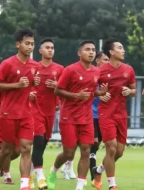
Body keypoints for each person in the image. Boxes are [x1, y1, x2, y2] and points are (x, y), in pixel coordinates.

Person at [46, 40, 107, 190]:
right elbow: (57, 90)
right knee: (69, 153)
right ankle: (53, 170)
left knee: (86, 151)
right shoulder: (70, 70)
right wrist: (76, 95)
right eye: (87, 49)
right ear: (79, 53)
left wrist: (100, 93)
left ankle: (79, 186)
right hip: (69, 117)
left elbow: (92, 92)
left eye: (93, 50)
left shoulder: (96, 72)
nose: (91, 52)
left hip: (86, 118)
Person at [0, 29, 39, 190]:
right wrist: (16, 85)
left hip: (26, 114)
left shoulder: (35, 66)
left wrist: (34, 85)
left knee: (26, 149)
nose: (30, 46)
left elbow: (31, 87)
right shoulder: (7, 63)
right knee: (6, 150)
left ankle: (24, 185)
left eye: (32, 44)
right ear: (18, 44)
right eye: (27, 43)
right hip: (8, 113)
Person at [92, 39, 136, 190]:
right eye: (120, 48)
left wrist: (130, 91)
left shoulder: (128, 70)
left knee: (119, 152)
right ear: (111, 52)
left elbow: (134, 90)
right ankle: (112, 185)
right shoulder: (100, 70)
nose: (123, 50)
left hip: (121, 115)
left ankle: (98, 171)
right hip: (106, 114)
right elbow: (90, 88)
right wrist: (98, 95)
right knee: (111, 148)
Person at [29, 38, 64, 189]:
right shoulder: (33, 67)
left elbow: (65, 90)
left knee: (42, 144)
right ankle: (40, 177)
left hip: (50, 111)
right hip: (35, 110)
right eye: (47, 47)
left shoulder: (60, 69)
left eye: (52, 48)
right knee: (38, 141)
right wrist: (31, 87)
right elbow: (24, 86)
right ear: (40, 51)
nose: (50, 50)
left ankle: (28, 174)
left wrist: (57, 86)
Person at [90, 52, 109, 184]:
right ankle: (93, 175)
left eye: (109, 60)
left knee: (96, 146)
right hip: (90, 114)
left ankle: (95, 171)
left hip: (104, 115)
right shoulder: (92, 74)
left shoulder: (109, 77)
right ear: (97, 60)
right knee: (94, 143)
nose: (107, 62)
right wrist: (97, 95)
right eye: (105, 60)